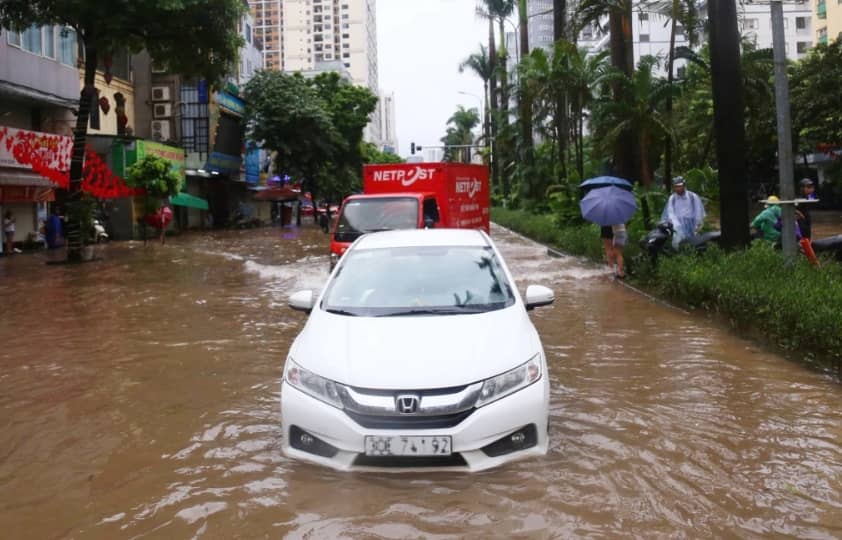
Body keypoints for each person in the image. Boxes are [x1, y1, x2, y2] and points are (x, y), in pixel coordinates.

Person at [662, 177, 706, 249]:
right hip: (677, 224)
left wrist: (698, 224)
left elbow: (698, 211)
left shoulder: (692, 196)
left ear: (684, 185)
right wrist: (675, 224)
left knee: (693, 243)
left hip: (691, 224)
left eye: (680, 186)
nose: (678, 188)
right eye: (676, 186)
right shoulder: (672, 198)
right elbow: (670, 212)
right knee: (678, 243)